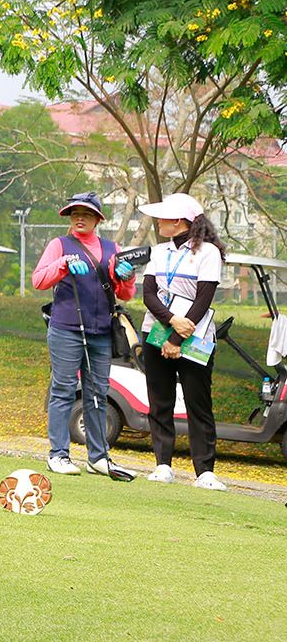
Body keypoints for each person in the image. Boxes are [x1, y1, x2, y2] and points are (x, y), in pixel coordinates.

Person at [31, 191, 137, 476]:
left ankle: (98, 457)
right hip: (66, 329)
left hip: (101, 331)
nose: (80, 218)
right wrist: (62, 264)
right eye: (75, 213)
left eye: (87, 214)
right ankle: (58, 455)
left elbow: (125, 293)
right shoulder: (59, 245)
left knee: (98, 393)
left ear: (97, 219)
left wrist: (128, 277)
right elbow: (39, 280)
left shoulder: (111, 248)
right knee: (64, 390)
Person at [138, 193, 227, 490]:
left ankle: (205, 471)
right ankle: (163, 465)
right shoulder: (159, 251)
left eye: (163, 217)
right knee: (159, 400)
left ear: (178, 221)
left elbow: (203, 299)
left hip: (196, 337)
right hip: (156, 332)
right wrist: (171, 322)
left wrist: (177, 338)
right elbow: (148, 293)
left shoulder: (208, 252)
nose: (158, 222)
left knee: (197, 403)